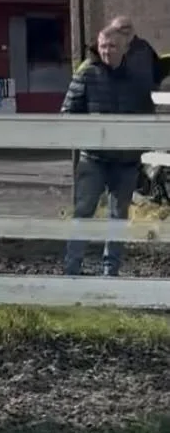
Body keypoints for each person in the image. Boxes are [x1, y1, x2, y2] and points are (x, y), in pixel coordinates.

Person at [61, 26, 151, 277]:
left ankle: (111, 271)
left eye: (112, 46)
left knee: (118, 217)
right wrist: (89, 136)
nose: (106, 51)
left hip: (125, 161)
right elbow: (68, 113)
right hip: (94, 158)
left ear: (123, 48)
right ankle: (71, 269)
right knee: (83, 211)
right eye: (102, 46)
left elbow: (147, 118)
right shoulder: (87, 75)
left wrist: (138, 150)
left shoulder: (137, 79)